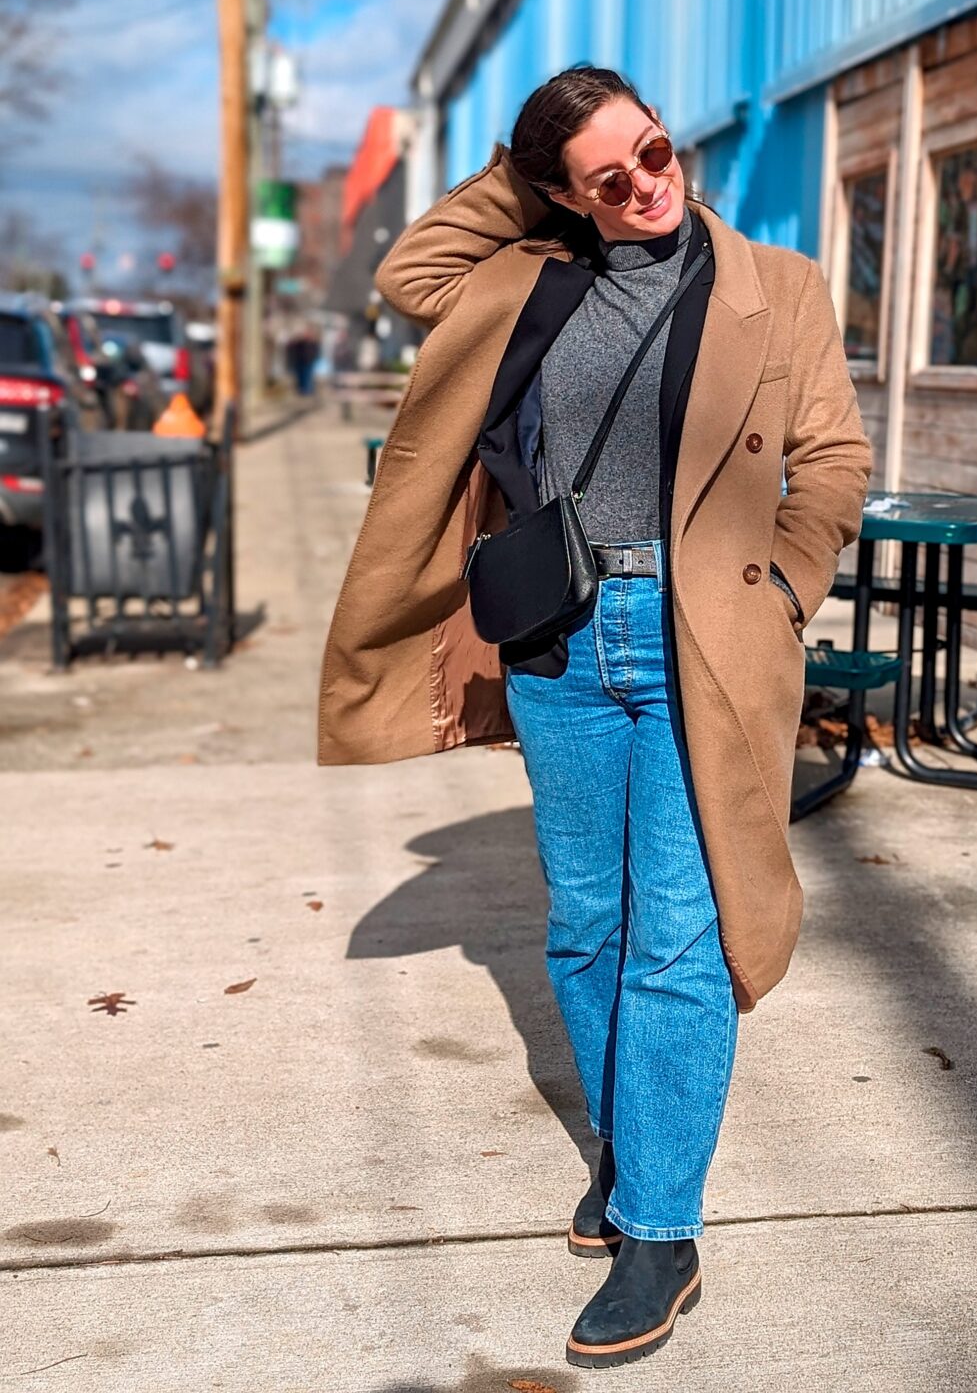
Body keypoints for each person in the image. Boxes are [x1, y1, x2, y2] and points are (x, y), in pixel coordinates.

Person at [320, 66, 871, 1368]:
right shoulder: (523, 275)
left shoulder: (777, 288)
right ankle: (636, 1139)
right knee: (586, 921)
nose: (648, 186)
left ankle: (662, 1228)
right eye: (609, 180)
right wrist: (531, 174)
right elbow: (406, 274)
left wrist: (785, 590)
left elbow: (835, 462)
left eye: (657, 151)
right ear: (567, 194)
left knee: (681, 932)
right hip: (562, 640)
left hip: (707, 644)